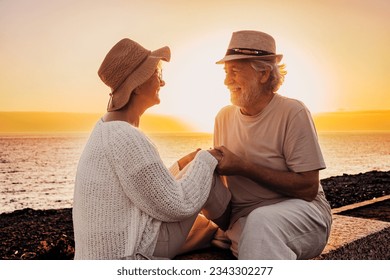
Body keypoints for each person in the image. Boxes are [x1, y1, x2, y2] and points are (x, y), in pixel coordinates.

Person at [72, 38, 231, 260]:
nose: (162, 83)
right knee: (207, 172)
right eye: (158, 74)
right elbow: (176, 205)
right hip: (131, 254)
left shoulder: (104, 129)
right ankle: (238, 232)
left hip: (108, 250)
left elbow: (142, 183)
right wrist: (207, 158)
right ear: (137, 85)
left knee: (196, 167)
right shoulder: (126, 137)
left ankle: (221, 235)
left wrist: (183, 164)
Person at [212, 30, 332, 259]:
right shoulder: (223, 117)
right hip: (246, 218)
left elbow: (308, 188)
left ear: (264, 74)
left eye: (235, 72)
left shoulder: (293, 112)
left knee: (261, 224)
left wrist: (243, 166)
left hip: (303, 213)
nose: (227, 81)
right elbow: (227, 191)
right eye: (226, 72)